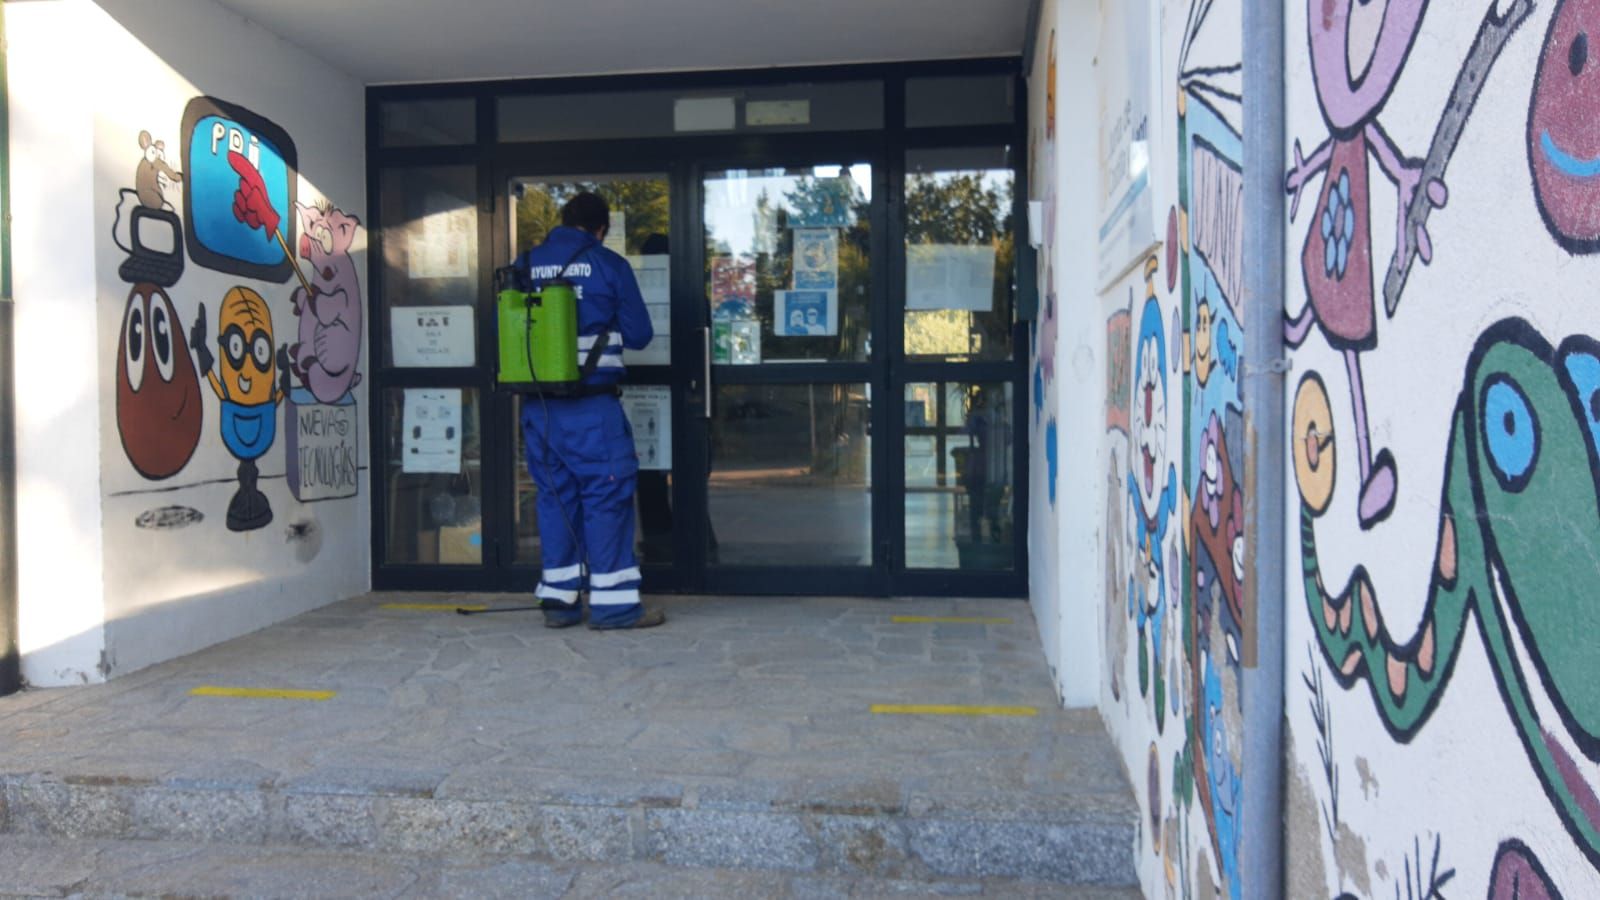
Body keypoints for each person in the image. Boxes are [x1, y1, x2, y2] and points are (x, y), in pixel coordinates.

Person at [515, 192, 662, 630]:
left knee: (555, 500)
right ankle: (614, 607)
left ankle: (559, 605)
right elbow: (639, 336)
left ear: (563, 220)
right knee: (606, 497)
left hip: (538, 410)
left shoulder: (523, 264)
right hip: (591, 410)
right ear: (601, 229)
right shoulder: (608, 264)